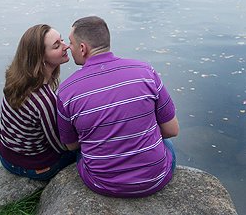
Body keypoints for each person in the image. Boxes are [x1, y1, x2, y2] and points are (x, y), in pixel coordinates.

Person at [56, 15, 179, 197]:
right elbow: (172, 130)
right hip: (155, 179)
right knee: (166, 144)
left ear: (83, 48)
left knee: (83, 153)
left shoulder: (66, 91)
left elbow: (72, 146)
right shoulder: (145, 72)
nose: (68, 47)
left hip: (102, 183)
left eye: (71, 43)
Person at [0, 23, 79, 180]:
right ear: (40, 58)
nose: (66, 46)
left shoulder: (16, 78)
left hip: (7, 154)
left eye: (62, 40)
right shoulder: (43, 99)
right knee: (87, 150)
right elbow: (62, 145)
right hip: (32, 166)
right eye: (57, 46)